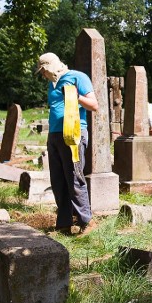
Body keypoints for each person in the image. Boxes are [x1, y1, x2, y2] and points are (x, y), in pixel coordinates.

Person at [37, 52, 99, 234]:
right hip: (55, 135)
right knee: (58, 181)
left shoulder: (78, 77)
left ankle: (86, 222)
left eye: (43, 71)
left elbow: (94, 105)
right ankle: (64, 224)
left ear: (50, 67)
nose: (42, 75)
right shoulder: (52, 83)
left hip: (73, 134)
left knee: (74, 177)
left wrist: (74, 96)